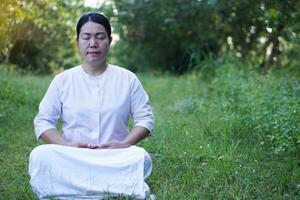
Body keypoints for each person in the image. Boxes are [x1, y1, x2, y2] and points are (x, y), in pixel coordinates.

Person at [28, 12, 154, 199]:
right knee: (39, 155)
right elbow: (43, 121)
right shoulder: (63, 80)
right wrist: (67, 146)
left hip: (113, 157)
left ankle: (71, 187)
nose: (93, 43)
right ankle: (112, 186)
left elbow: (145, 119)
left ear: (109, 40)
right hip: (73, 156)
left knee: (140, 157)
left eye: (100, 37)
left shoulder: (127, 79)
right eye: (86, 37)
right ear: (78, 40)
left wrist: (124, 144)